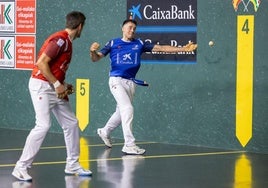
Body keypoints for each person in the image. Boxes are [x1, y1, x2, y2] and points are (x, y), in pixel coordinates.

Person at [89, 19, 197, 155]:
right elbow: (96, 58)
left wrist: (182, 49)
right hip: (116, 80)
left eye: (134, 28)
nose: (132, 30)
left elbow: (161, 48)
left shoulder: (139, 43)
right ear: (122, 28)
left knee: (120, 112)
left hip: (131, 83)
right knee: (127, 108)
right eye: (129, 27)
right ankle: (129, 144)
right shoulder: (113, 43)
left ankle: (105, 131)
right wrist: (92, 51)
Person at [12, 11, 92, 181]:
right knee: (43, 125)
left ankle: (72, 164)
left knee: (71, 123)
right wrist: (57, 85)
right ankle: (21, 167)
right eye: (82, 27)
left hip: (53, 86)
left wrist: (62, 84)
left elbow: (55, 68)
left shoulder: (67, 42)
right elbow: (41, 63)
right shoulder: (60, 40)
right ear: (79, 26)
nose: (81, 30)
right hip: (41, 85)